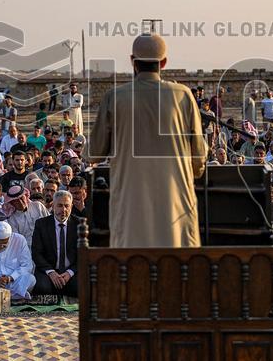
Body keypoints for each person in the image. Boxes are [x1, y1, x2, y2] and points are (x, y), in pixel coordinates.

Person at [88, 33, 207, 248]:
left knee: (133, 271)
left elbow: (94, 152)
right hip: (175, 209)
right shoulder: (183, 95)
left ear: (133, 61)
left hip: (130, 208)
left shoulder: (115, 97)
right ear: (163, 62)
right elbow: (199, 158)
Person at [30, 190, 79, 297]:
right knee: (42, 289)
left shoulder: (79, 224)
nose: (64, 210)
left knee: (80, 288)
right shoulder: (41, 224)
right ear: (53, 206)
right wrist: (51, 272)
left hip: (71, 270)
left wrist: (69, 273)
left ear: (71, 206)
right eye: (60, 205)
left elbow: (83, 255)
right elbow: (36, 253)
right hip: (49, 269)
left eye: (67, 206)